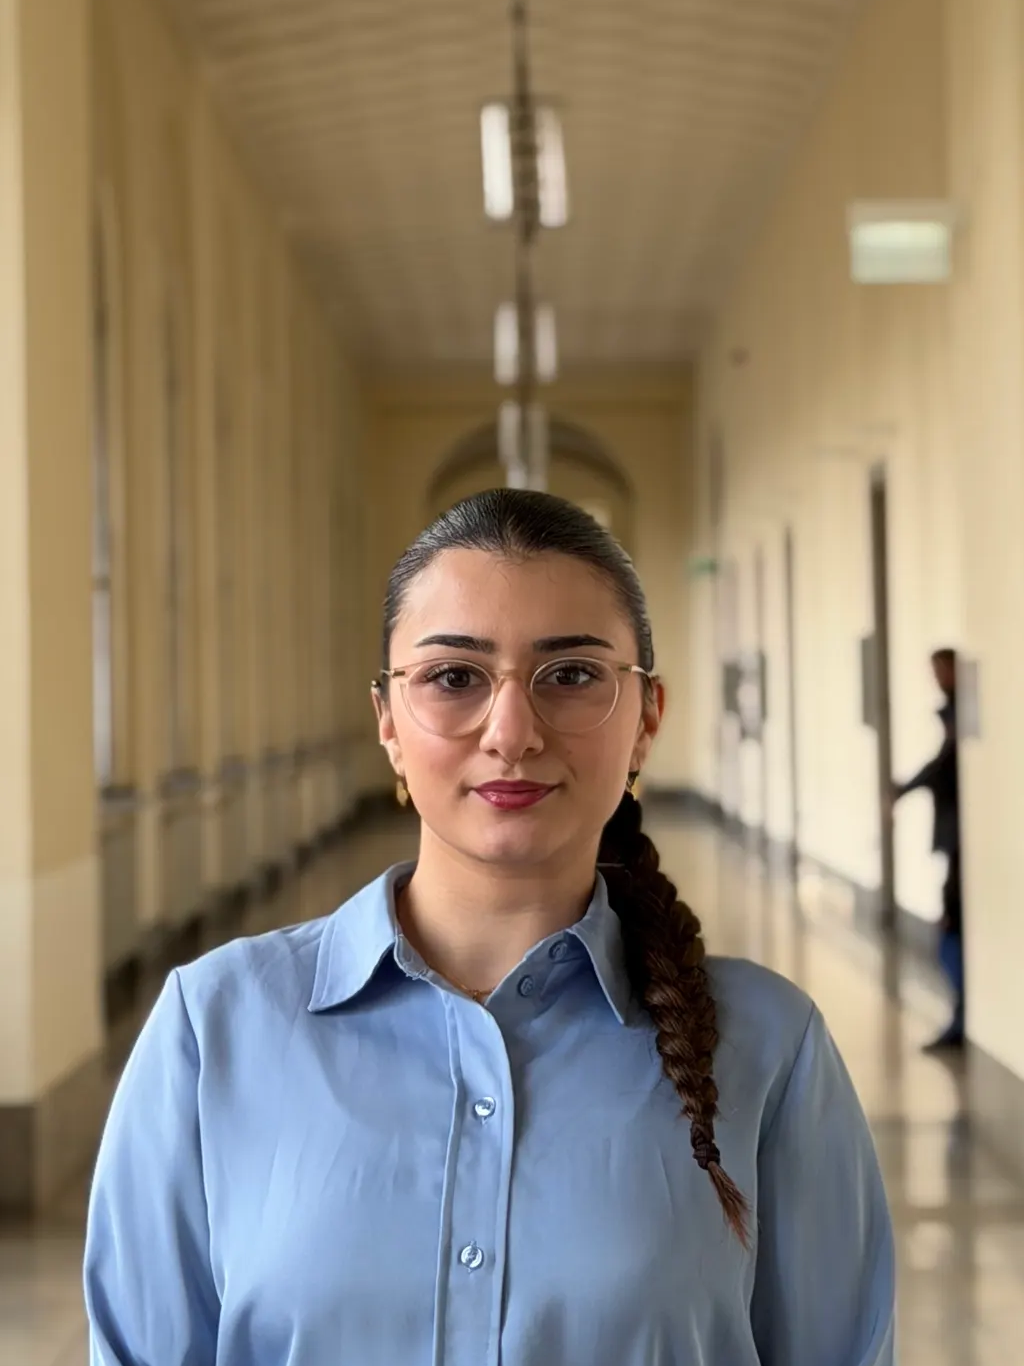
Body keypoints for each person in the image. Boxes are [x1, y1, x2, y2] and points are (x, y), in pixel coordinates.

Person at [85, 490, 895, 1365]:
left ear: (647, 720)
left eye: (572, 675)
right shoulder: (213, 1030)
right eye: (454, 677)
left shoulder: (771, 1047)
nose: (512, 734)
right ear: (388, 722)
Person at [892, 647, 963, 1049]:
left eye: (942, 671)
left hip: (960, 838)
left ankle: (961, 1018)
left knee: (950, 927)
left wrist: (903, 789)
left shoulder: (960, 715)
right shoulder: (953, 713)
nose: (938, 679)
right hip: (955, 837)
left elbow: (943, 767)